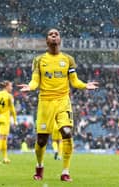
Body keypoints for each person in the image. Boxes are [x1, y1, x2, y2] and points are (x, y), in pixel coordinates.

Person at [18, 28, 99, 182]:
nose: (54, 35)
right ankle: (39, 166)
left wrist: (84, 85)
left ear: (60, 39)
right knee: (42, 140)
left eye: (56, 34)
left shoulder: (68, 59)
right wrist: (31, 86)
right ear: (47, 40)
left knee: (67, 133)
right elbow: (35, 80)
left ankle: (65, 172)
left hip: (63, 101)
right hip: (45, 102)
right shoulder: (39, 60)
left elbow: (74, 81)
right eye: (51, 34)